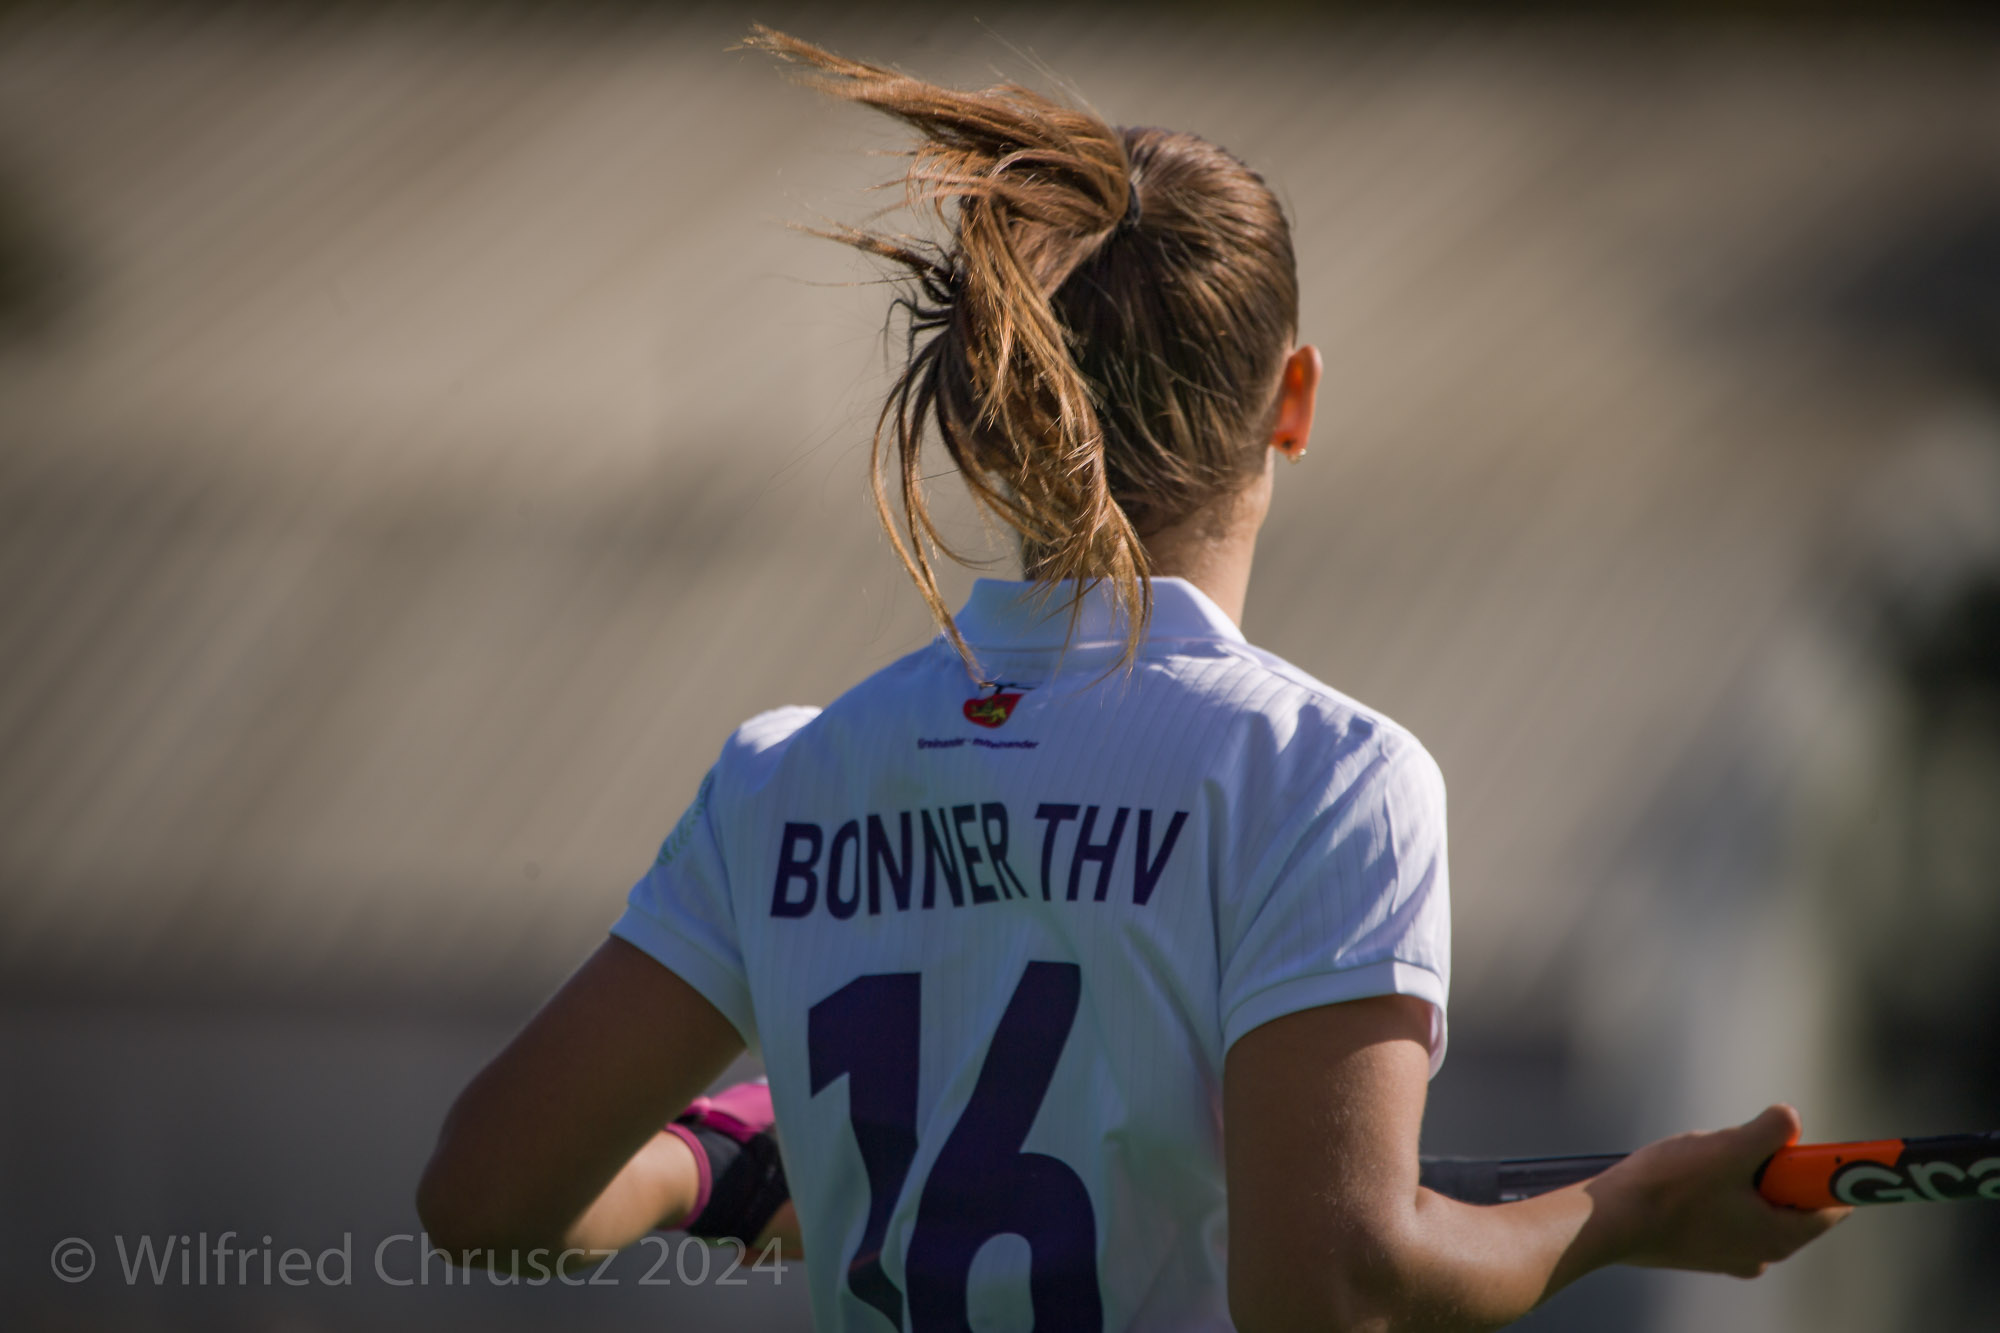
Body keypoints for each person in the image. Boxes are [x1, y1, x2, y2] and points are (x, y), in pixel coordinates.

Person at [416, 26, 1847, 1331]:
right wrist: (1631, 1213)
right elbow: (1333, 1283)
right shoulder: (1322, 779)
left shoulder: (782, 776)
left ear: (991, 416)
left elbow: (483, 1202)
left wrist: (705, 1162)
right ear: (1295, 399)